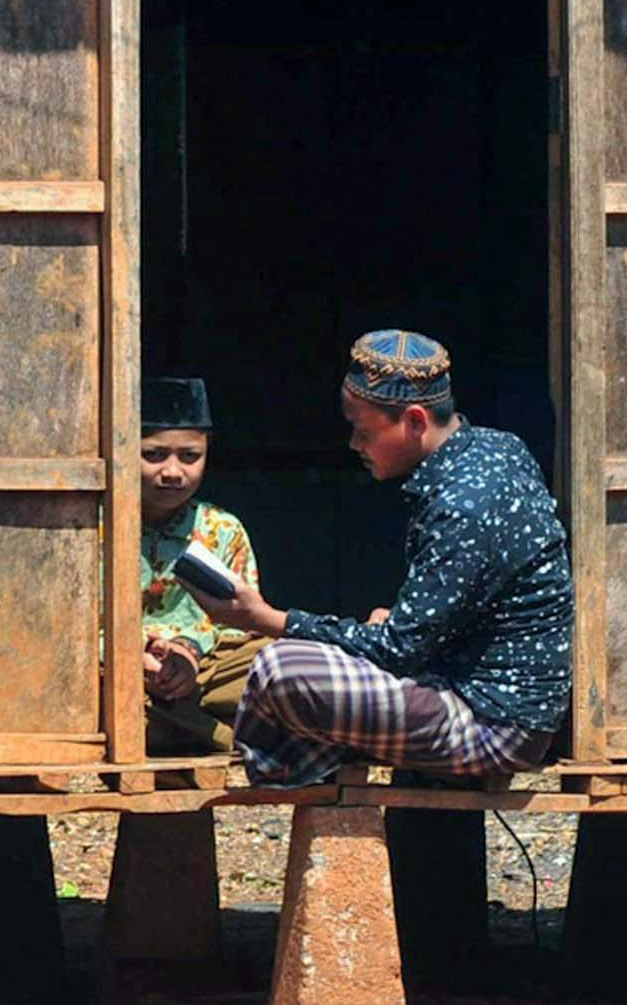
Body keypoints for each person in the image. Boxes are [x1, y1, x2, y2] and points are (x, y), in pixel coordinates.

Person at [199, 331, 574, 786]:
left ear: (415, 421)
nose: (355, 444)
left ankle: (291, 765)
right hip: (471, 692)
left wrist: (268, 619)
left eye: (364, 430)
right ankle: (308, 753)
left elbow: (399, 651)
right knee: (300, 665)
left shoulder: (463, 505)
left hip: (492, 722)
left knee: (281, 670)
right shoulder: (500, 447)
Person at [136, 374, 264, 754]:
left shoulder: (221, 528)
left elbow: (243, 619)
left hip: (206, 668)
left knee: (283, 661)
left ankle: (180, 726)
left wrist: (189, 651)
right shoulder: (91, 526)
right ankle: (222, 737)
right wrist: (134, 654)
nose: (173, 471)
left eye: (190, 457)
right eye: (154, 454)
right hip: (116, 669)